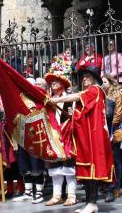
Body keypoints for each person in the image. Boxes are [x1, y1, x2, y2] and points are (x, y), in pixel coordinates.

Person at [48, 64, 114, 213]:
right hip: (88, 136)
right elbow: (82, 111)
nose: (84, 79)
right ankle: (90, 203)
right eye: (83, 77)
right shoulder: (92, 92)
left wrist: (56, 101)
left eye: (87, 77)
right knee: (87, 171)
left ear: (94, 79)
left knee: (92, 170)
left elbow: (78, 96)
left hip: (93, 137)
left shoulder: (95, 90)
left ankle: (92, 203)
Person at [44, 66, 78, 206]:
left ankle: (71, 195)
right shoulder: (48, 100)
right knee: (55, 168)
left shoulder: (70, 98)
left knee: (69, 168)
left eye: (56, 80)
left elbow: (76, 116)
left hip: (67, 136)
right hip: (54, 136)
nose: (53, 83)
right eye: (51, 81)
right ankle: (57, 195)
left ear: (63, 83)